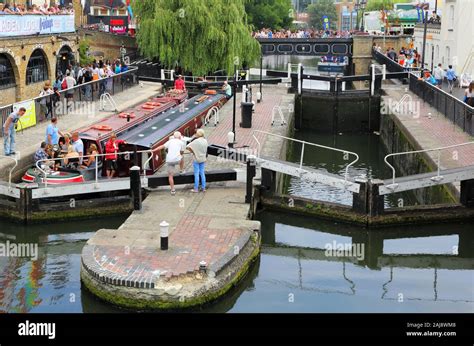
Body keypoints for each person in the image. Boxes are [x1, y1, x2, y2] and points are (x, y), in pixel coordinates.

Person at [186, 129, 208, 193]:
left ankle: (196, 189)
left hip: (196, 159)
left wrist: (193, 152)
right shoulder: (205, 141)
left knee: (196, 174)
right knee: (202, 173)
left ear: (198, 134)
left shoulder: (196, 141)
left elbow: (187, 147)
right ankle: (203, 188)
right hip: (203, 158)